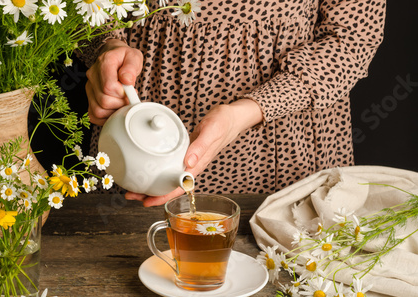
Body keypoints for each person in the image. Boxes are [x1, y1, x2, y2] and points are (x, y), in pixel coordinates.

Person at [80, 0, 386, 207]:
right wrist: (106, 46)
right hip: (138, 127)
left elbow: (353, 40)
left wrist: (249, 110)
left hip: (285, 142)